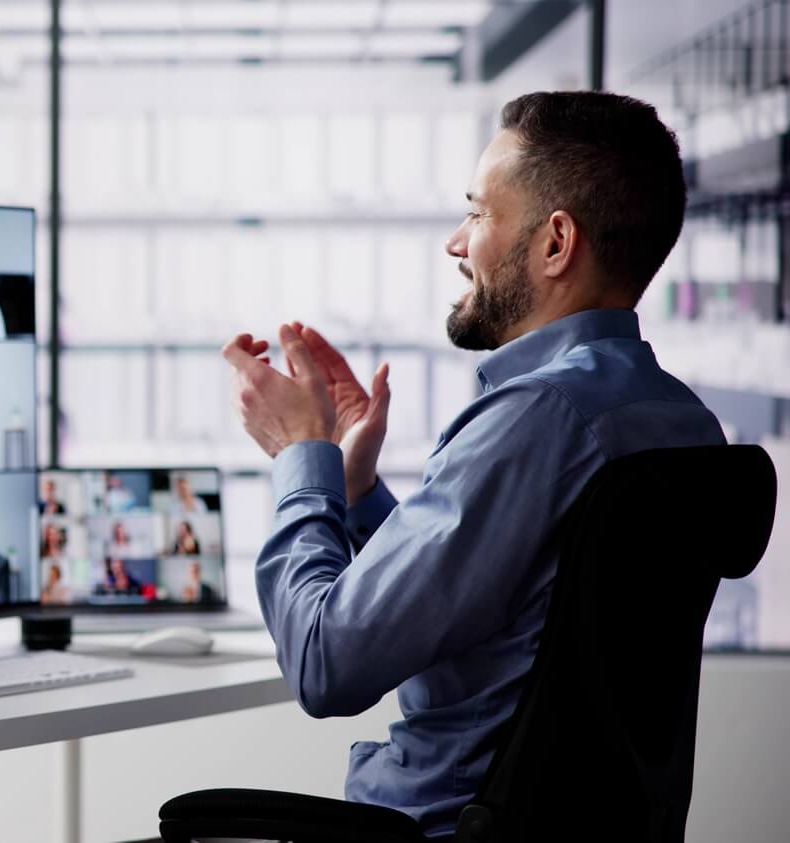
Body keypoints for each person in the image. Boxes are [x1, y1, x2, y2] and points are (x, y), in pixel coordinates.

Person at [222, 92, 722, 837]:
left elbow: (325, 661)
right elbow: (508, 618)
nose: (457, 242)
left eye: (479, 213)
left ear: (556, 243)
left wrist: (303, 456)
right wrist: (356, 490)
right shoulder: (679, 421)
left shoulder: (537, 419)